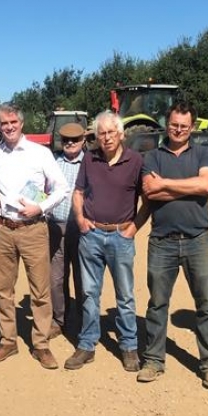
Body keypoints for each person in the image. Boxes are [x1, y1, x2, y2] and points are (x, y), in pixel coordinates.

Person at [138, 101, 208, 389]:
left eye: (184, 126)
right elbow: (150, 191)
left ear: (192, 127)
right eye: (174, 124)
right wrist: (186, 185)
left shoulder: (204, 152)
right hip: (162, 241)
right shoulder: (152, 156)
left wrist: (167, 184)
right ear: (166, 123)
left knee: (207, 305)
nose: (178, 130)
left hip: (198, 239)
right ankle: (153, 360)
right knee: (157, 304)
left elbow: (205, 187)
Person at [0, 103, 69, 370]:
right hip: (3, 229)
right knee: (3, 289)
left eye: (13, 122)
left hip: (33, 228)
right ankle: (8, 340)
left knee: (40, 290)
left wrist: (39, 207)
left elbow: (61, 188)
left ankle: (41, 344)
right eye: (4, 124)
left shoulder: (40, 154)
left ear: (21, 123)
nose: (8, 127)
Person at [64, 112, 147, 372]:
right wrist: (80, 219)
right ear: (96, 136)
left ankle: (129, 346)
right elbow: (78, 192)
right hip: (92, 235)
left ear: (122, 134)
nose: (107, 137)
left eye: (112, 132)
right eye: (102, 133)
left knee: (124, 295)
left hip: (121, 236)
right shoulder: (90, 159)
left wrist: (134, 227)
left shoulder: (136, 161)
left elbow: (148, 198)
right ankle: (87, 344)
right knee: (89, 293)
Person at [47, 122, 86, 338]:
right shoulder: (53, 162)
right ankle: (59, 319)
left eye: (75, 140)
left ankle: (82, 319)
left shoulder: (90, 162)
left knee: (82, 277)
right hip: (55, 226)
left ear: (83, 141)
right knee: (55, 278)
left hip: (80, 227)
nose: (70, 144)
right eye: (66, 140)